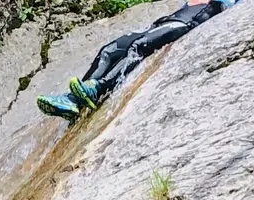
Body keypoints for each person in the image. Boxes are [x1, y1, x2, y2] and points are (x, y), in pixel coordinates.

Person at [37, 0, 236, 120]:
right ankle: (72, 101)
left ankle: (98, 88)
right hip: (165, 21)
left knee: (138, 46)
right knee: (109, 50)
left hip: (182, 25)